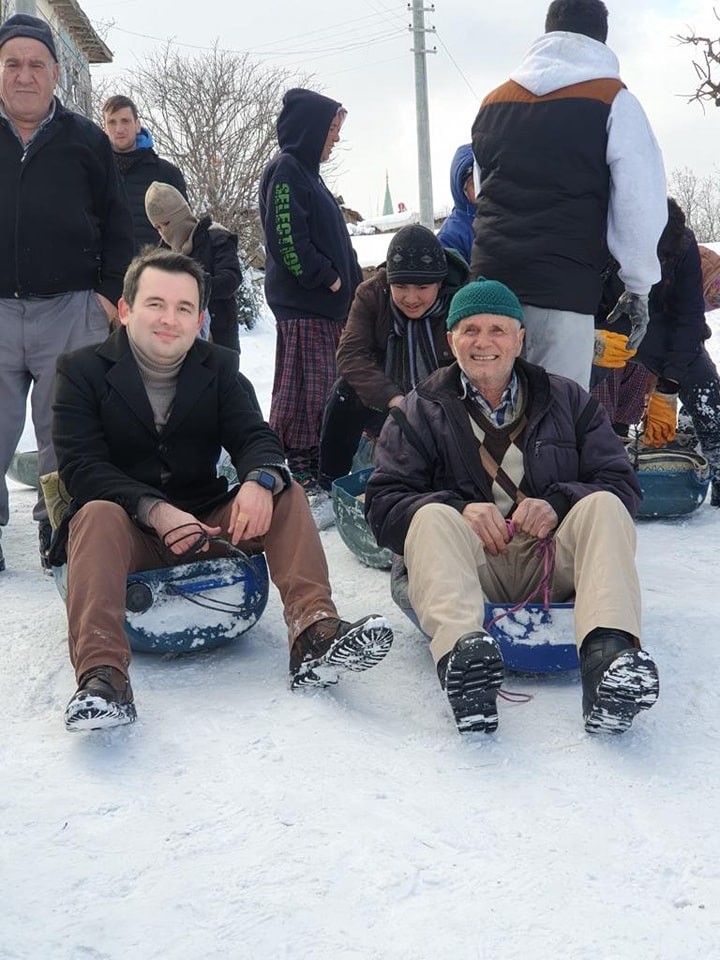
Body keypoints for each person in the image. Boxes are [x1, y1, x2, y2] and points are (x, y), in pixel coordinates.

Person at [51, 248, 394, 732]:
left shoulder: (218, 367)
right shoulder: (81, 372)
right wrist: (155, 510)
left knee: (285, 495)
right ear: (126, 310)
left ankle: (315, 632)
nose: (169, 319)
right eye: (155, 304)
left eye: (184, 308)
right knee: (95, 514)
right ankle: (104, 678)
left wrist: (259, 479)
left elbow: (256, 436)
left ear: (200, 320)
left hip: (206, 522)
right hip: (126, 531)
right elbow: (81, 467)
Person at [365, 277, 659, 736]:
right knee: (431, 516)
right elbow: (383, 504)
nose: (484, 342)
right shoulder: (418, 409)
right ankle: (466, 669)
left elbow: (621, 484)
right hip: (470, 569)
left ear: (520, 338)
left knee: (602, 505)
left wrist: (559, 503)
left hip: (551, 565)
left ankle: (608, 665)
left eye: (498, 330)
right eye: (471, 330)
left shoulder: (569, 399)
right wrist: (458, 509)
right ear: (451, 340)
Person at [469, 0, 667, 389]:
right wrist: (638, 285)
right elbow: (639, 205)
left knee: (484, 423)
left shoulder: (493, 102)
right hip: (562, 291)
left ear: (547, 31)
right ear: (601, 38)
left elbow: (482, 188)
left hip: (487, 289)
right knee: (555, 422)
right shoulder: (613, 100)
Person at [0, 13, 134, 574]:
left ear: (56, 74)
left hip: (71, 312)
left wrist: (104, 299)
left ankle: (60, 527)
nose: (24, 76)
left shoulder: (86, 141)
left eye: (36, 64)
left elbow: (118, 225)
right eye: (12, 64)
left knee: (67, 432)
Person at [259, 88, 363, 492]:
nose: (335, 139)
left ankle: (318, 459)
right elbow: (286, 239)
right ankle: (304, 464)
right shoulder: (287, 170)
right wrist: (326, 277)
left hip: (324, 307)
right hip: (306, 305)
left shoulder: (307, 174)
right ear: (312, 129)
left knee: (322, 386)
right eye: (331, 130)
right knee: (309, 390)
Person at [317, 224, 468, 505]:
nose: (411, 298)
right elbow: (351, 355)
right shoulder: (371, 294)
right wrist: (396, 399)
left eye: (422, 287)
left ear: (440, 282)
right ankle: (328, 485)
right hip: (390, 399)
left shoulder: (462, 298)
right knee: (344, 392)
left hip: (448, 405)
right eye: (400, 287)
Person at [593, 198, 720, 505]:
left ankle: (717, 462)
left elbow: (689, 318)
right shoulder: (596, 233)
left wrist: (669, 386)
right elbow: (570, 299)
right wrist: (587, 339)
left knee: (704, 382)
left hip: (658, 325)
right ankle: (574, 472)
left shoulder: (683, 243)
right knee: (572, 382)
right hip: (605, 321)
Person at [145, 181, 243, 353]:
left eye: (166, 224)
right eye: (158, 228)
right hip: (178, 336)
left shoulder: (216, 238)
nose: (163, 232)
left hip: (219, 336)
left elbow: (231, 279)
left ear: (180, 214)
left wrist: (193, 285)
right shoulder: (163, 253)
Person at [102, 94, 188, 252]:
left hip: (158, 269)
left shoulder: (167, 174)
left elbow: (185, 233)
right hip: (108, 274)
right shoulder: (94, 173)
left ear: (137, 125)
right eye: (112, 122)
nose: (119, 129)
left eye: (125, 121)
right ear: (104, 128)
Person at [436, 144, 475, 265]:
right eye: (475, 184)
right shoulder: (450, 236)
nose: (484, 189)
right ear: (462, 189)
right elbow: (454, 281)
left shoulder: (507, 216)